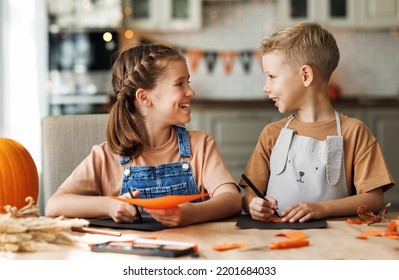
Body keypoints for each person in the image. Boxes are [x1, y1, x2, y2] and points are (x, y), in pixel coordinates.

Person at [45, 43, 242, 227]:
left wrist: (191, 214)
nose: (190, 91)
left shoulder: (200, 145)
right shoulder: (105, 156)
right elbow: (54, 205)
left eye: (187, 82)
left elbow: (232, 200)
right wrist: (109, 205)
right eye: (179, 83)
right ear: (144, 97)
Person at [241, 22, 395, 223]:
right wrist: (253, 205)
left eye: (272, 77)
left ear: (305, 75)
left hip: (335, 244)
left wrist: (322, 209)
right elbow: (249, 194)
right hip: (276, 240)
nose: (266, 87)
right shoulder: (272, 133)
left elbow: (374, 199)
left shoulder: (355, 132)